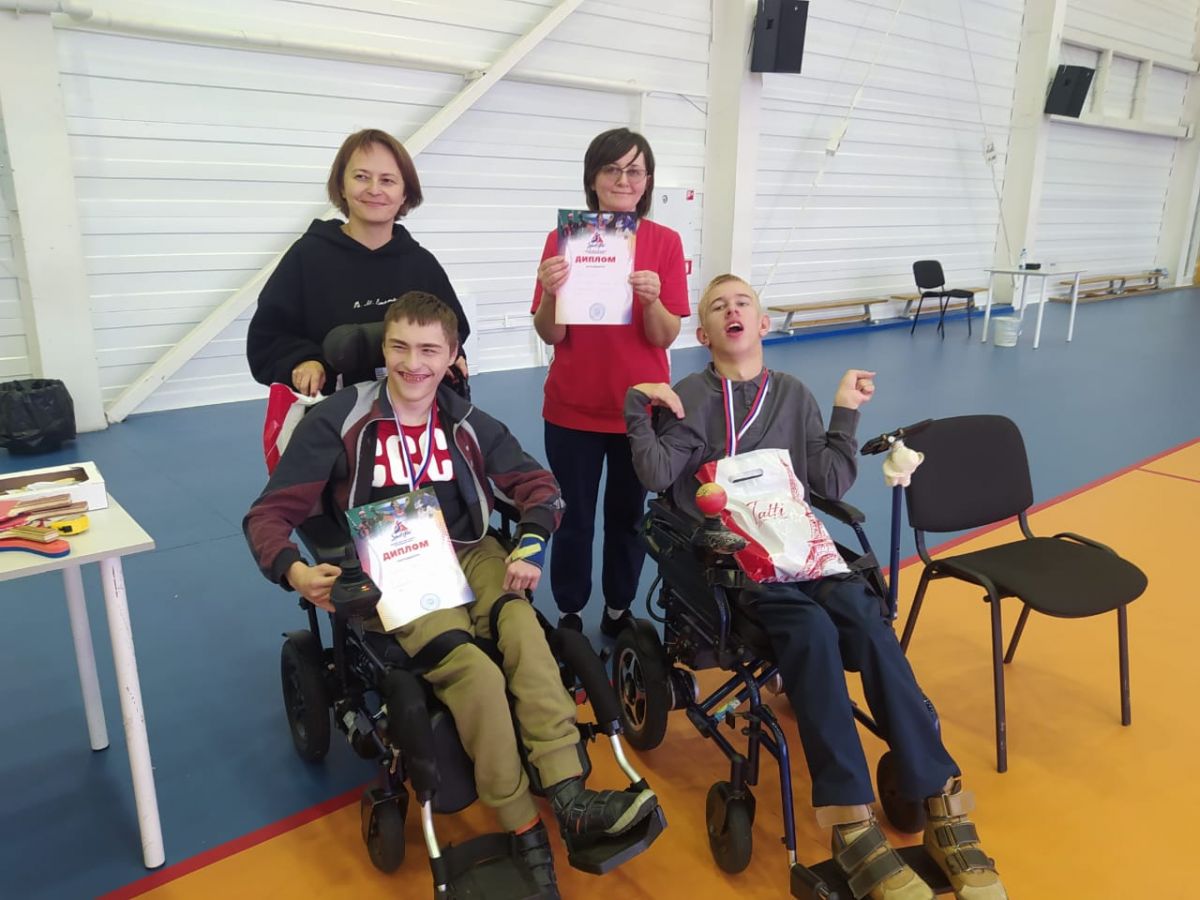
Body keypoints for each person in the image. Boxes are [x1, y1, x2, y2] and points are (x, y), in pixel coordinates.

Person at [245, 292, 658, 898]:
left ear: (451, 356)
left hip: (470, 549)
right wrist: (296, 572)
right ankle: (522, 824)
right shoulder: (338, 419)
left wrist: (531, 544)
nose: (413, 364)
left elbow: (539, 485)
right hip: (394, 559)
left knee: (523, 630)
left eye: (429, 351)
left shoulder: (463, 419)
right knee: (473, 668)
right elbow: (269, 514)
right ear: (383, 349)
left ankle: (569, 795)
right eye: (400, 348)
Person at [623, 274, 1007, 900]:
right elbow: (657, 472)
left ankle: (942, 799)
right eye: (717, 307)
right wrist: (637, 411)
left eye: (742, 302)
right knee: (809, 629)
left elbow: (826, 480)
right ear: (704, 332)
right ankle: (850, 821)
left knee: (865, 616)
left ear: (762, 323)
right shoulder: (690, 394)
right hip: (735, 563)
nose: (731, 311)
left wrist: (845, 410)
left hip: (803, 549)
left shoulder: (792, 394)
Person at [531, 127, 690, 636]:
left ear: (647, 181)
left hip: (641, 412)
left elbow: (664, 336)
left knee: (627, 517)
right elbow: (551, 332)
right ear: (593, 178)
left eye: (635, 170)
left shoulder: (665, 242)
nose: (624, 180)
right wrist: (551, 293)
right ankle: (571, 612)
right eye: (612, 169)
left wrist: (653, 301)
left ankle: (619, 609)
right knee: (573, 518)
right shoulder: (563, 240)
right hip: (572, 409)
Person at [247, 128, 469, 396]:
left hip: (413, 412)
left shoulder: (421, 264)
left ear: (405, 194)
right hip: (330, 412)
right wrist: (302, 360)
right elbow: (268, 337)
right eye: (361, 177)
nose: (374, 190)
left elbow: (453, 330)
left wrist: (452, 355)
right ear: (342, 185)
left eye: (387, 180)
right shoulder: (306, 257)